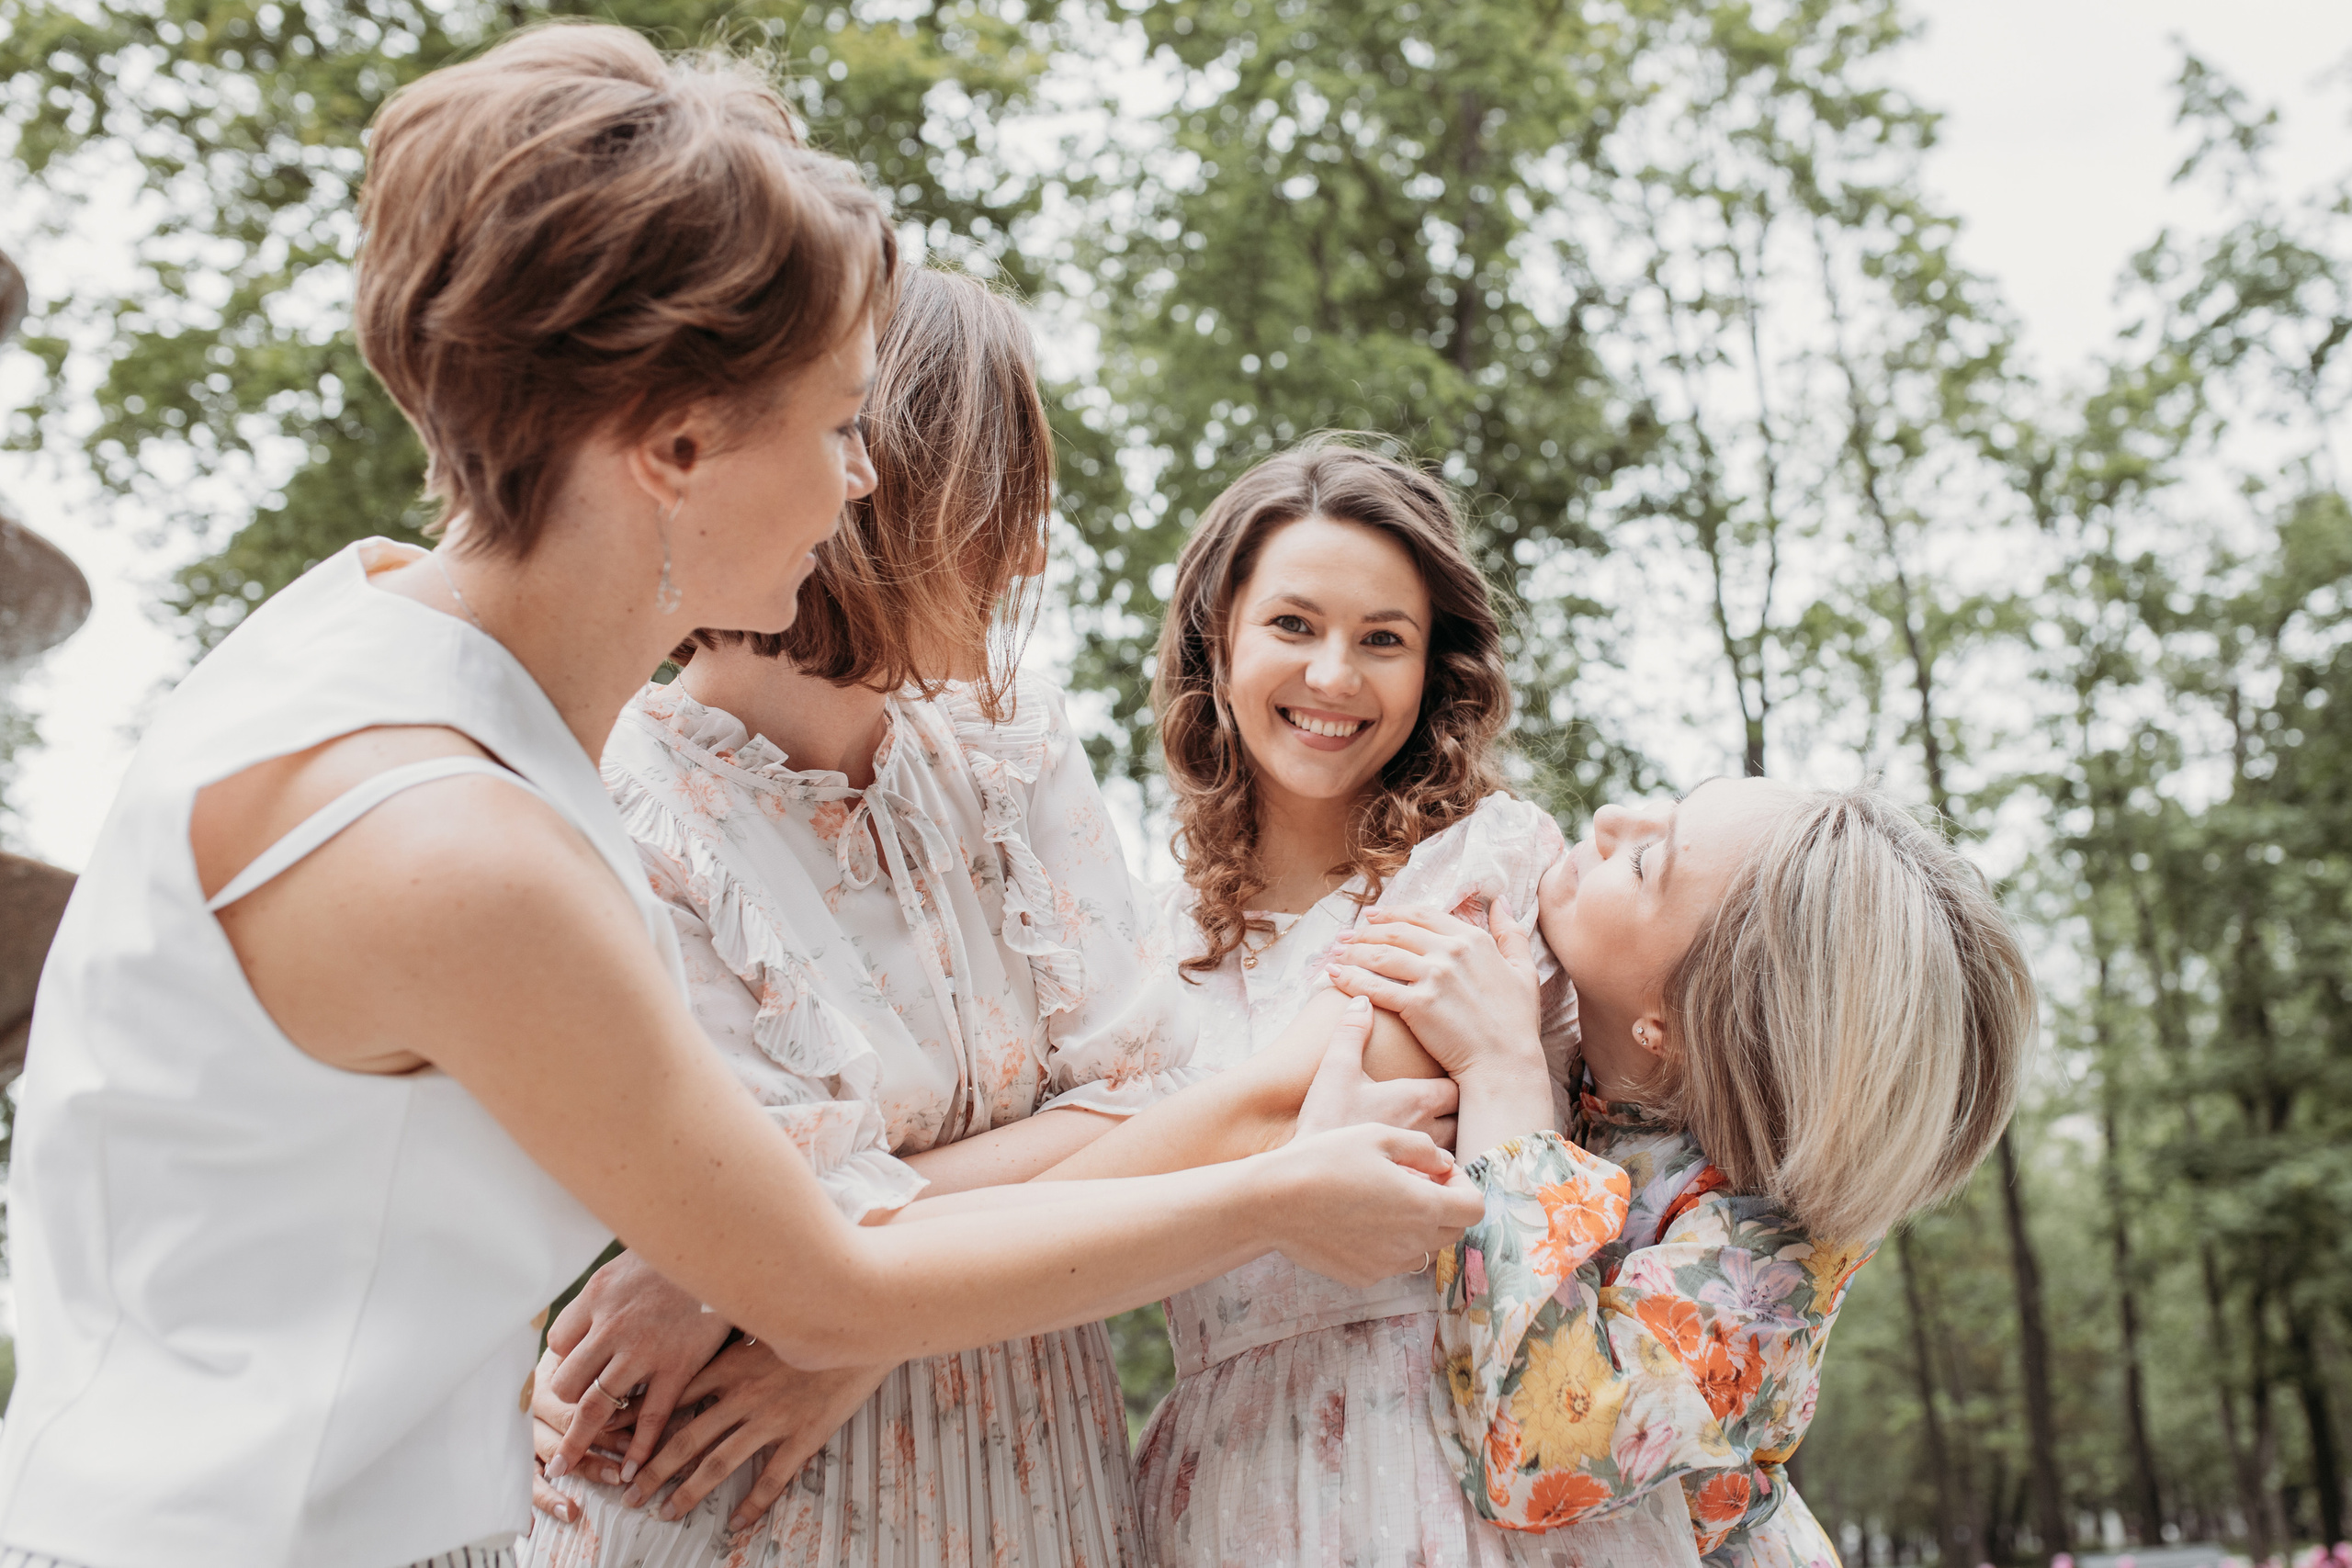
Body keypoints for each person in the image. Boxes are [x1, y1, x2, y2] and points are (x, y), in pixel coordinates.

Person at [0, 32, 1479, 1568]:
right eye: (842, 424)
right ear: (675, 443)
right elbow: (827, 1288)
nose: (863, 488)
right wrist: (1287, 1196)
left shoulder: (356, 648)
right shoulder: (453, 840)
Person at [515, 266, 1289, 1566]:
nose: (1029, 556)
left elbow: (1161, 1107)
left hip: (1033, 1459)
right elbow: (765, 1219)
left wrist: (851, 1318)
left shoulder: (1010, 746)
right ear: (881, 492)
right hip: (732, 1476)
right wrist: (786, 1274)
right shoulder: (623, 806)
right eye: (1002, 509)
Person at [1017, 439, 1696, 1565]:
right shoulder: (1133, 947)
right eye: (1293, 626)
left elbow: (1258, 1120)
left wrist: (867, 1299)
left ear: (1434, 669)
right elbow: (1047, 1163)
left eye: (1382, 640)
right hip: (1224, 1488)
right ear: (1216, 639)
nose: (1334, 677)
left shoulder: (1483, 872)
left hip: (1458, 1466)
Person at [1329, 782, 2033, 1566]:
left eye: (1642, 863)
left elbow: (1543, 1448)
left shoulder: (1774, 1252)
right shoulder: (1600, 1097)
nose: (1606, 821)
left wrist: (1502, 1070)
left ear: (1668, 1022)